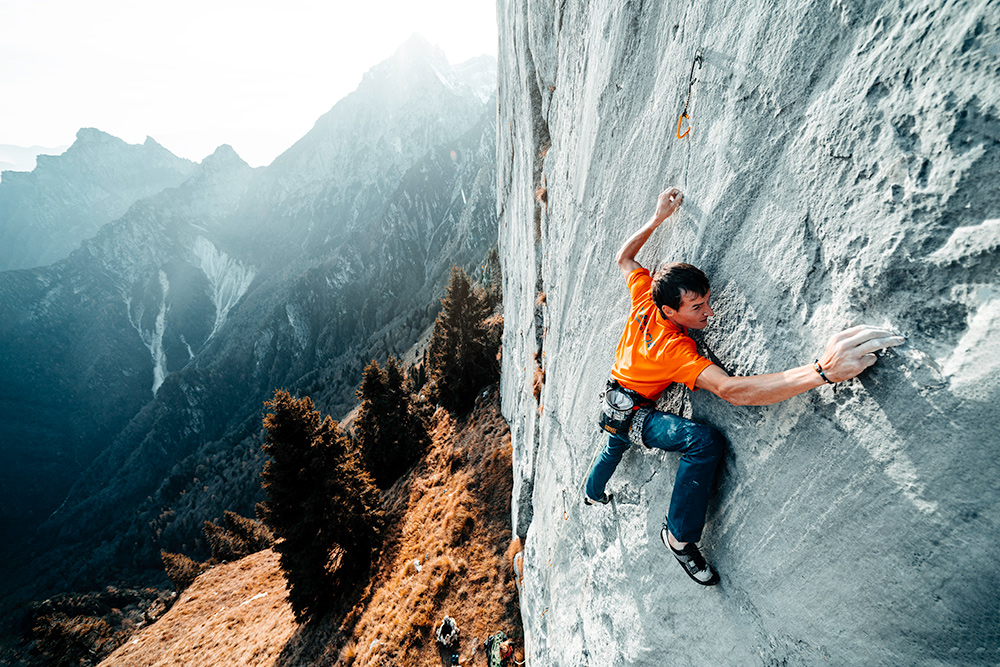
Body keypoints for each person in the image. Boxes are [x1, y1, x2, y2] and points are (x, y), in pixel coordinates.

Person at [584, 187, 905, 586]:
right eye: (697, 308)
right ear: (670, 310)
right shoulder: (673, 349)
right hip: (632, 411)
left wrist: (657, 218)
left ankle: (591, 492)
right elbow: (732, 391)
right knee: (699, 443)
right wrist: (822, 371)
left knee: (611, 447)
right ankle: (678, 538)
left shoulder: (645, 298)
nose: (709, 312)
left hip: (614, 396)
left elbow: (625, 258)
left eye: (705, 301)